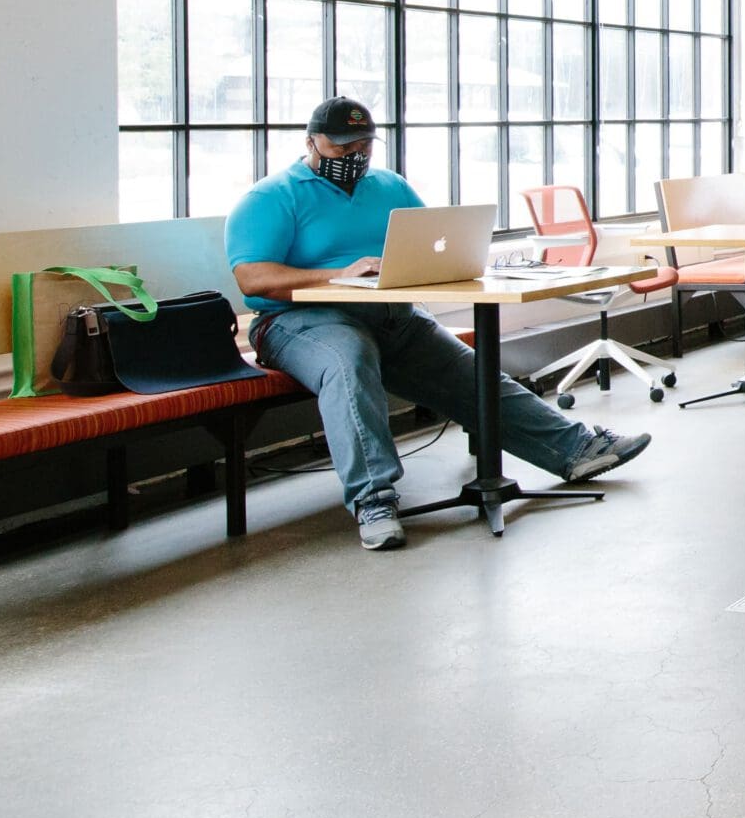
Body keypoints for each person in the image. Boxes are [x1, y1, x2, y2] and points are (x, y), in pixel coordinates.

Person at [229, 98, 651, 552]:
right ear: (311, 141)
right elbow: (253, 278)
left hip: (391, 315)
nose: (353, 156)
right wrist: (337, 275)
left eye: (364, 146)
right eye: (341, 146)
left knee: (467, 369)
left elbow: (433, 242)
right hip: (298, 321)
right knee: (349, 361)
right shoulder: (272, 197)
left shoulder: (389, 187)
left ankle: (574, 450)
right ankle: (375, 499)